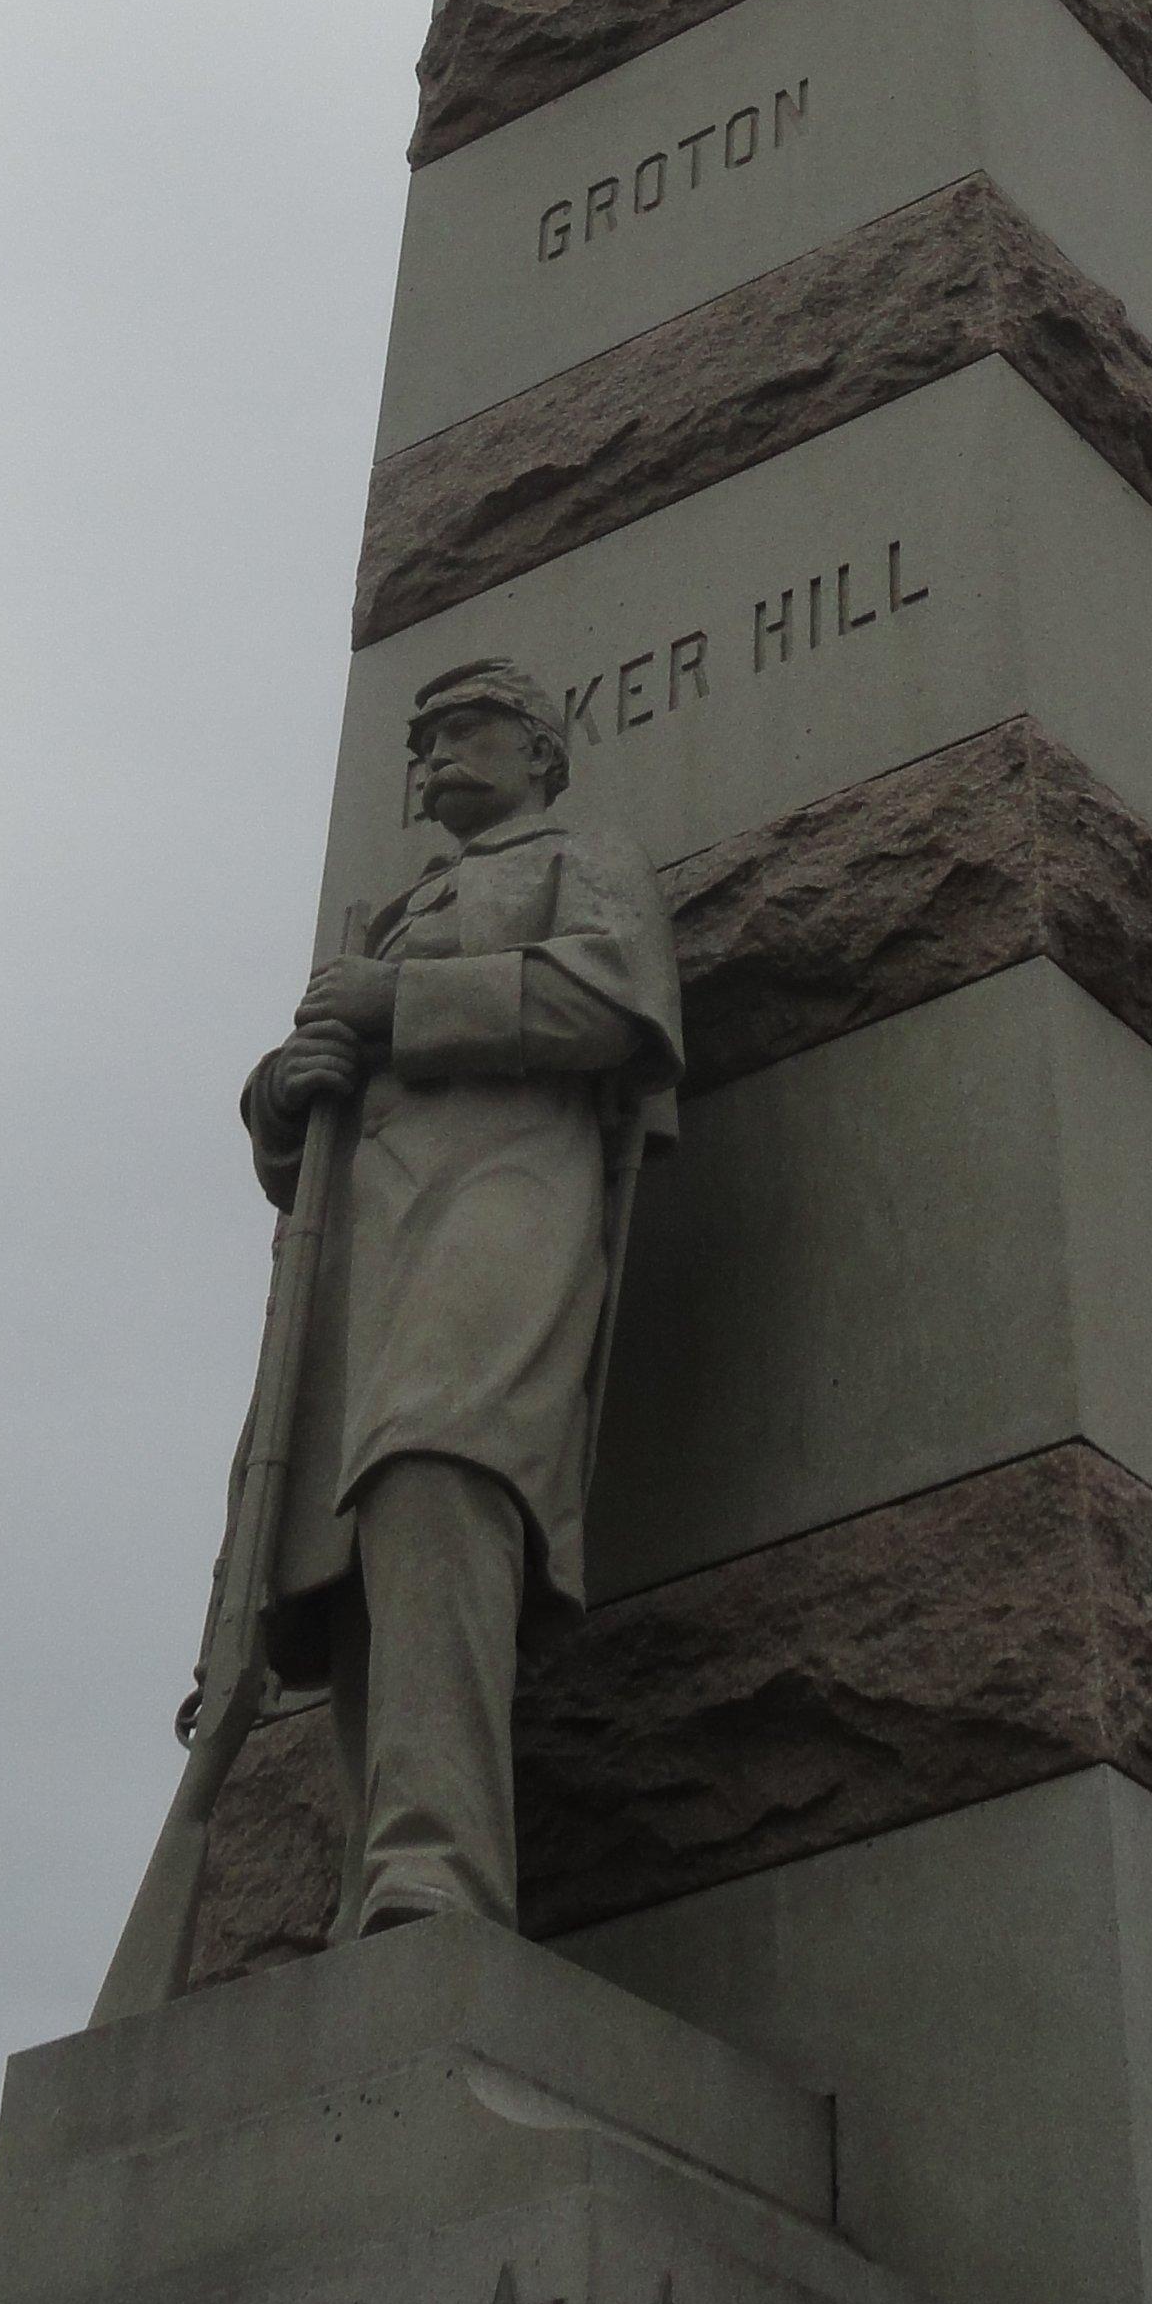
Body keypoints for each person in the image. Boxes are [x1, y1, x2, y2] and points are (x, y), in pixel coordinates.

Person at [239, 657, 681, 1932]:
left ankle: (441, 1864)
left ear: (542, 747)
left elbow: (619, 999)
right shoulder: (390, 912)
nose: (431, 758)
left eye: (464, 731)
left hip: (508, 1198)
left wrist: (404, 1002)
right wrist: (287, 1088)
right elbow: (308, 1131)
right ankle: (376, 1876)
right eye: (419, 742)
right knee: (356, 1547)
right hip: (368, 1243)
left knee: (440, 1469)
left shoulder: (581, 860)